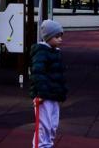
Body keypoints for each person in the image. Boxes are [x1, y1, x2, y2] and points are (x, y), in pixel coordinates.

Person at [30, 20, 67, 148]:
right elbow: (38, 74)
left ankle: (48, 145)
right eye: (57, 37)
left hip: (53, 95)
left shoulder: (54, 52)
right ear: (48, 37)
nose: (60, 39)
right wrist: (41, 94)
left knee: (52, 125)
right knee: (44, 125)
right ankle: (41, 146)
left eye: (61, 36)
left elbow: (57, 75)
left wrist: (61, 91)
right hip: (44, 96)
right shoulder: (41, 53)